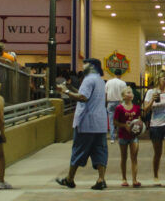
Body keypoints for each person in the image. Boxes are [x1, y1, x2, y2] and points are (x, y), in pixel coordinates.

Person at [56, 58, 109, 190]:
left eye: (85, 64)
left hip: (86, 122)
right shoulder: (100, 80)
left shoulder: (88, 79)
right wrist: (69, 88)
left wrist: (66, 92)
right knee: (100, 150)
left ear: (91, 66)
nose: (82, 66)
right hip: (100, 122)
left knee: (78, 150)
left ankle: (70, 179)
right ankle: (101, 179)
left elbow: (83, 97)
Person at [144, 73, 165, 186]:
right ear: (158, 79)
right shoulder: (151, 92)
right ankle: (156, 176)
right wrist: (151, 101)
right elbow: (145, 109)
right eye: (164, 79)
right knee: (158, 153)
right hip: (156, 125)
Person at [113, 86, 142, 186]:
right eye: (128, 93)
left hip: (133, 136)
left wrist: (139, 127)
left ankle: (134, 179)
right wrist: (124, 125)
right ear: (123, 96)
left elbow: (139, 120)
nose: (130, 94)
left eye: (131, 93)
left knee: (134, 157)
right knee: (124, 157)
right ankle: (124, 178)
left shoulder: (136, 108)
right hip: (123, 135)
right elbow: (115, 122)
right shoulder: (119, 108)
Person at [105, 68, 127, 142]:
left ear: (114, 74)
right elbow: (125, 94)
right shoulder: (123, 83)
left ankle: (112, 138)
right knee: (119, 120)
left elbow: (106, 93)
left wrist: (105, 103)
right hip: (120, 103)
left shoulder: (108, 82)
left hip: (110, 102)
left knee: (111, 121)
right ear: (120, 75)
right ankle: (119, 136)